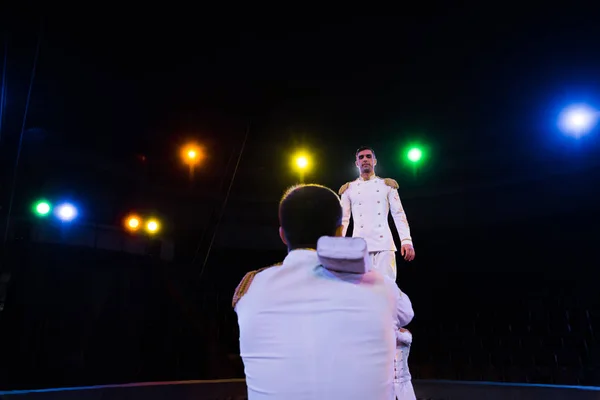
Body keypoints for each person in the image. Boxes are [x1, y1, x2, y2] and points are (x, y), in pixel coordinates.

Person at [233, 184, 414, 400]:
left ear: (282, 235)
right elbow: (406, 314)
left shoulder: (250, 289)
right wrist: (363, 268)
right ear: (340, 232)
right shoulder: (380, 286)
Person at [339, 146, 415, 280]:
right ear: (357, 163)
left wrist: (406, 240)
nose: (365, 160)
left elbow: (398, 214)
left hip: (384, 245)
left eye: (368, 156)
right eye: (361, 157)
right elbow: (344, 219)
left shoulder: (387, 185)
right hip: (360, 246)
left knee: (387, 288)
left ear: (375, 161)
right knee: (362, 290)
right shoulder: (348, 189)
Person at [394, 328, 416, 400]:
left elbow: (407, 339)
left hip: (403, 380)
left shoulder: (404, 333)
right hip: (388, 381)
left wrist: (391, 330)